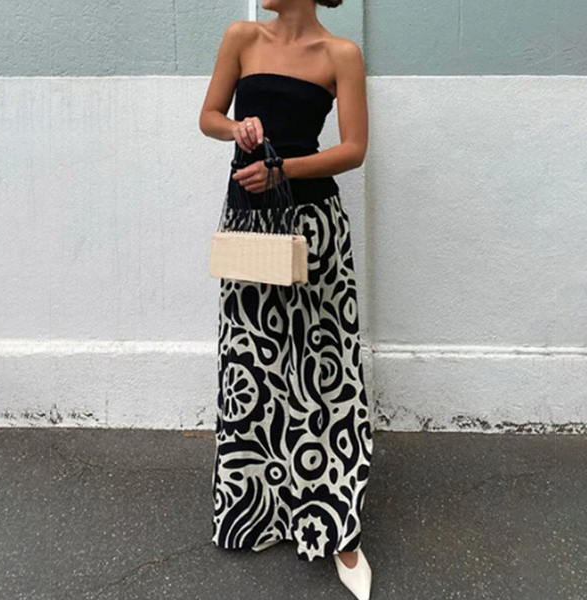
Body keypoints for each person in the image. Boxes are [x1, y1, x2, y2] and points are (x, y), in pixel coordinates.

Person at [199, 2, 373, 598]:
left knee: (323, 365)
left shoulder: (341, 54)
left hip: (313, 226)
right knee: (250, 363)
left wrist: (283, 169)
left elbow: (353, 150)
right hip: (247, 220)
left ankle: (335, 522)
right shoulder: (242, 37)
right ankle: (258, 508)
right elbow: (208, 116)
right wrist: (237, 130)